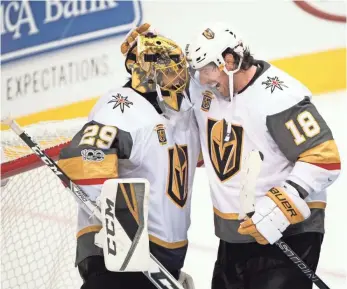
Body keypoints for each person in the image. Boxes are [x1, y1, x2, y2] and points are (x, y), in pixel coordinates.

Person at [185, 23, 341, 289]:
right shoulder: (208, 90)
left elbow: (324, 157)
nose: (201, 79)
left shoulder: (278, 97)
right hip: (235, 235)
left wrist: (281, 203)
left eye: (208, 69)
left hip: (290, 233)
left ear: (230, 61)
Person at [58, 24, 200, 289]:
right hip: (115, 258)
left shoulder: (179, 114)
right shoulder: (121, 107)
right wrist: (117, 220)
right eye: (167, 70)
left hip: (158, 262)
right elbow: (79, 159)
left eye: (177, 68)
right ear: (145, 74)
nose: (177, 77)